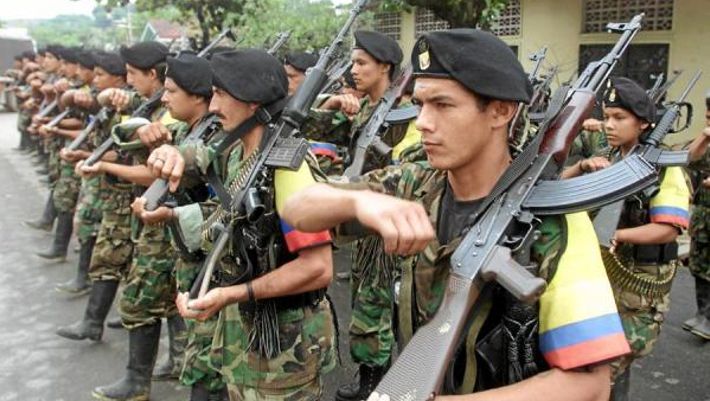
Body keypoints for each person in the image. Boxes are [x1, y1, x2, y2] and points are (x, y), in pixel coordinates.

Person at [281, 29, 631, 401]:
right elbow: (296, 209)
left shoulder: (554, 221)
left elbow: (589, 383)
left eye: (443, 105)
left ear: (500, 111)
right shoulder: (415, 184)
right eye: (420, 104)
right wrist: (359, 203)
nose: (423, 122)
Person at [146, 48, 337, 400]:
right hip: (245, 340)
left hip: (285, 353)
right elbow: (202, 164)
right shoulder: (239, 152)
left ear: (252, 102)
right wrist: (170, 153)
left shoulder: (288, 169)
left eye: (220, 94)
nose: (212, 106)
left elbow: (317, 268)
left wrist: (233, 294)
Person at [562, 77, 690, 400]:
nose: (609, 125)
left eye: (619, 118)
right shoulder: (609, 156)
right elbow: (559, 190)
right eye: (606, 117)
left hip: (639, 291)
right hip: (604, 280)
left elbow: (669, 227)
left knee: (603, 369)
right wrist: (582, 167)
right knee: (600, 362)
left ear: (643, 123)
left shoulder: (663, 167)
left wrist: (619, 234)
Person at [130, 52, 229, 399]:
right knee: (199, 354)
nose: (164, 98)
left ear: (199, 96)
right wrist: (149, 137)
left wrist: (171, 213)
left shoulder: (217, 137)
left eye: (171, 91)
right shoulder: (184, 129)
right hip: (191, 256)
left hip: (213, 261)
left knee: (208, 364)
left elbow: (204, 174)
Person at [682, 90, 710, 340]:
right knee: (699, 267)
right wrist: (704, 135)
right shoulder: (706, 143)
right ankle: (703, 314)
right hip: (703, 219)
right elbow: (688, 160)